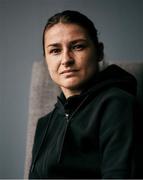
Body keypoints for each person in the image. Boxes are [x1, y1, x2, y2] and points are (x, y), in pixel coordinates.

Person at [29, 10, 138, 179]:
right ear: (46, 59)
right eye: (55, 51)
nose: (66, 59)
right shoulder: (44, 124)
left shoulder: (117, 104)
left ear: (99, 52)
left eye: (78, 46)